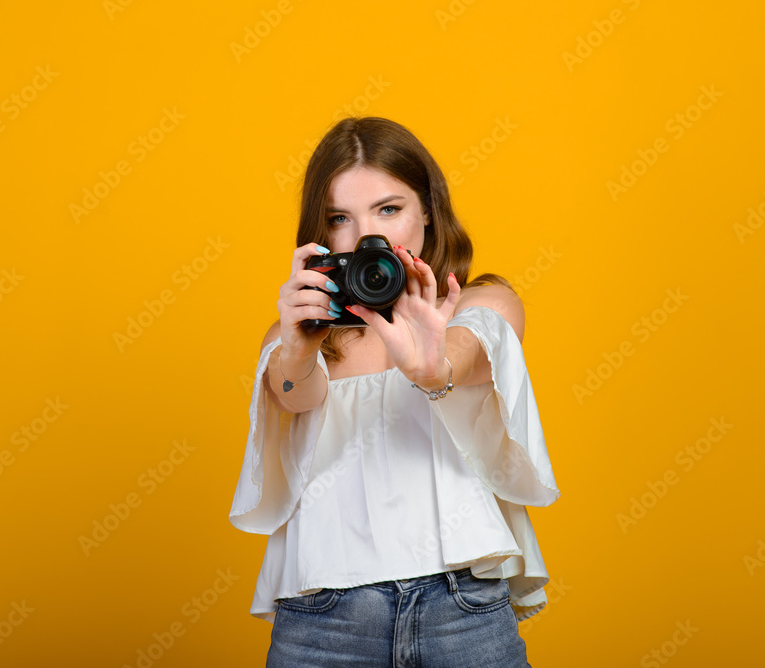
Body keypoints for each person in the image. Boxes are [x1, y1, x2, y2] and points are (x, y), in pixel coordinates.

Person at [230, 117, 559, 667]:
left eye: (388, 209)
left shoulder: (481, 305)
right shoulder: (301, 339)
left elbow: (466, 356)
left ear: (427, 209)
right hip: (325, 619)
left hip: (461, 609)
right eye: (341, 217)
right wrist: (297, 345)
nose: (366, 236)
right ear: (321, 233)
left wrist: (431, 369)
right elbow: (295, 395)